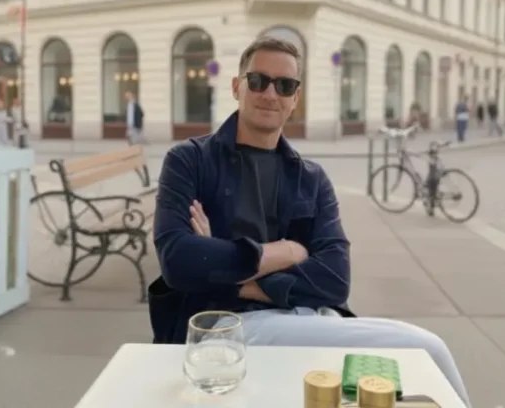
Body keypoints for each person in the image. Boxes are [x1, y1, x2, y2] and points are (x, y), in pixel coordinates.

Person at [148, 36, 472, 406]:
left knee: (413, 371)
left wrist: (227, 274)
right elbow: (178, 261)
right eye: (258, 81)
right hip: (229, 329)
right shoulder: (190, 161)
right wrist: (286, 252)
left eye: (285, 85)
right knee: (427, 349)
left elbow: (335, 278)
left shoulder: (311, 178)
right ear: (237, 87)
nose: (271, 94)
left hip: (312, 316)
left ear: (295, 98)